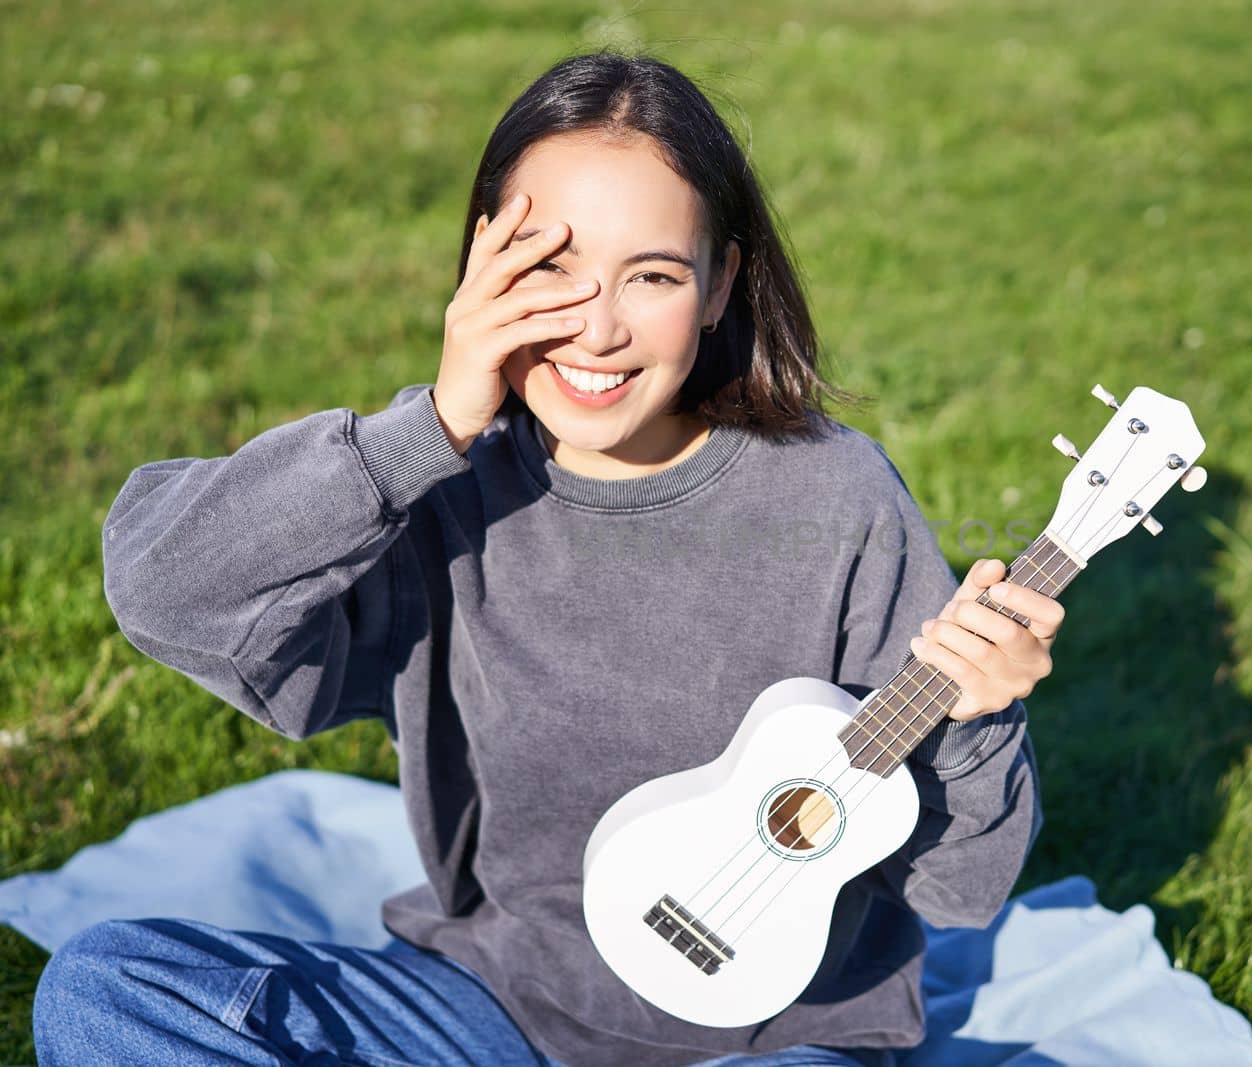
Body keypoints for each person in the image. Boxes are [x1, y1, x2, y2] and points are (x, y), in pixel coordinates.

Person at [34, 50, 1061, 1067]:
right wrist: (426, 429)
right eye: (550, 268)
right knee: (108, 987)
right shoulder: (443, 478)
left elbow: (960, 891)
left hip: (772, 1042)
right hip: (493, 1010)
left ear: (719, 286)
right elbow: (165, 587)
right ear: (484, 260)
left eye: (652, 276)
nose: (598, 329)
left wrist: (977, 723)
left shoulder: (836, 499)